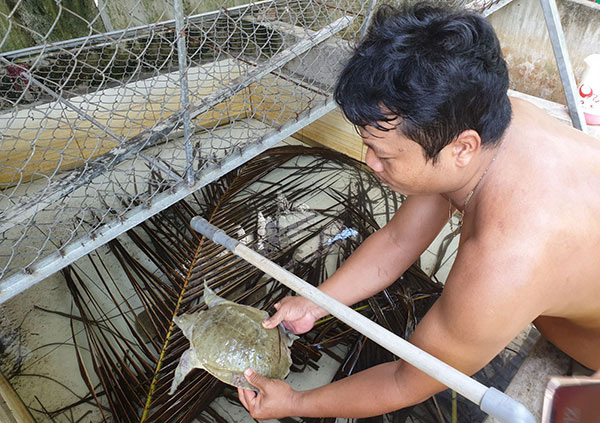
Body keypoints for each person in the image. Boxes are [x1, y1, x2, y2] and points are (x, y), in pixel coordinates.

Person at [237, 2, 600, 419]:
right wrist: (316, 301)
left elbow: (406, 380)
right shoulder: (486, 119)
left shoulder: (505, 263)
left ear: (461, 148)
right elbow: (399, 238)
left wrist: (294, 402)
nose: (370, 163)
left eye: (383, 155)